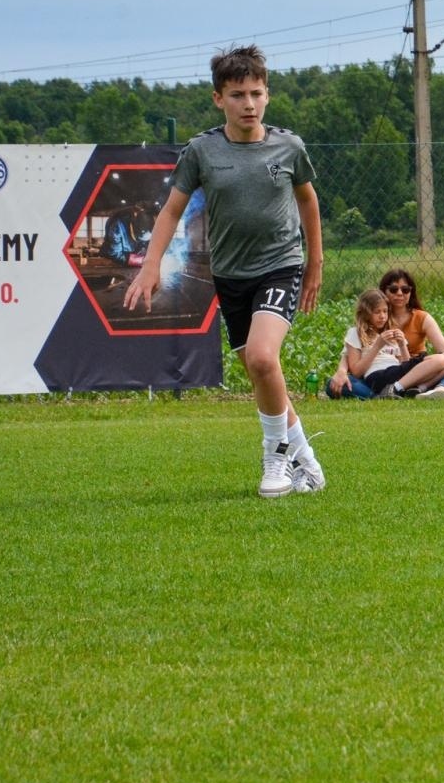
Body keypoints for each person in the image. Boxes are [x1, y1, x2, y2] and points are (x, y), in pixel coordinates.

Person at [123, 45, 327, 497]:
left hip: (280, 267)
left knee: (261, 357)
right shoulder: (202, 151)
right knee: (263, 372)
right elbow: (171, 211)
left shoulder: (289, 146)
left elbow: (308, 200)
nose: (248, 104)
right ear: (219, 99)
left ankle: (274, 461)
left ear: (268, 96)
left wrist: (314, 262)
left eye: (256, 93)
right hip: (231, 276)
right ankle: (307, 462)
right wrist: (150, 265)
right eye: (237, 95)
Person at [337, 289, 444, 397]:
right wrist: (378, 346)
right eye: (377, 312)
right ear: (366, 313)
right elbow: (356, 372)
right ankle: (395, 389)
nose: (382, 316)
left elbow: (405, 364)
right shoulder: (356, 333)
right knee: (440, 360)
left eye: (385, 311)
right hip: (377, 376)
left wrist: (401, 345)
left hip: (397, 372)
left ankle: (417, 389)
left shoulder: (390, 332)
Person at [377, 268, 444, 392]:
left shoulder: (421, 317)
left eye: (405, 290)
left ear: (411, 292)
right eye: (394, 289)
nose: (400, 293)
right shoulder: (378, 317)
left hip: (421, 368)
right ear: (383, 291)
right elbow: (356, 345)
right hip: (390, 369)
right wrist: (342, 370)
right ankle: (439, 389)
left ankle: (428, 389)